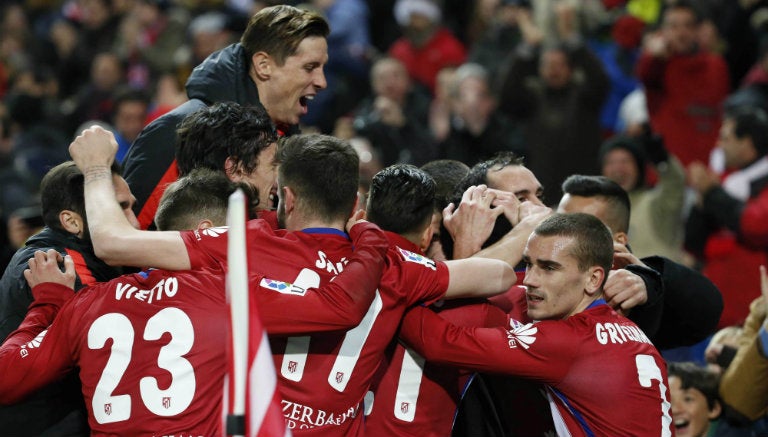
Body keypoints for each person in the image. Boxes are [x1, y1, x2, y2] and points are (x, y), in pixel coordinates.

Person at [68, 127, 516, 436]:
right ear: (355, 202)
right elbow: (494, 275)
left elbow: (111, 241)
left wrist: (94, 168)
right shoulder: (394, 265)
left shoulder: (244, 245)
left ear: (290, 197)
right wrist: (523, 228)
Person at [0, 168, 392, 435]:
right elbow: (340, 305)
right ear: (210, 232)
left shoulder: (87, 304)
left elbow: (7, 377)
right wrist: (369, 234)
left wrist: (48, 305)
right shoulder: (230, 290)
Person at [399, 213, 674, 436]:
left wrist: (391, 292)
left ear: (593, 279)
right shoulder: (633, 332)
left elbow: (438, 342)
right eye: (529, 264)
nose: (530, 279)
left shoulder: (565, 342)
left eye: (549, 268)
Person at [122, 4, 330, 229]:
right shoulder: (179, 131)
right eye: (310, 67)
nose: (322, 81)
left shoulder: (285, 138)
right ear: (264, 65)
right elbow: (128, 236)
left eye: (322, 67)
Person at [0, 160, 139, 436]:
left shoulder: (77, 254)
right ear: (72, 221)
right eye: (120, 208)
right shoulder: (58, 265)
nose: (135, 221)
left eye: (131, 205)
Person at [559, 174, 723, 350]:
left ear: (618, 241)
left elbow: (708, 308)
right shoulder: (532, 269)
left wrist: (647, 280)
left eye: (580, 227)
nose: (561, 234)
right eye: (558, 222)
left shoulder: (634, 300)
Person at [686, 105, 768, 328]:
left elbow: (757, 225)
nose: (718, 145)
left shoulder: (761, 183)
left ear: (748, 144)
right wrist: (701, 197)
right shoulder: (724, 180)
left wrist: (712, 194)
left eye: (726, 138)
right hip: (717, 306)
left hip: (753, 313)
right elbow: (693, 242)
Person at [636, 1, 730, 166]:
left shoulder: (717, 65)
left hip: (709, 167)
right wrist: (653, 55)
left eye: (688, 26)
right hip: (672, 170)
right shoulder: (658, 66)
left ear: (697, 31)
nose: (681, 33)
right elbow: (644, 74)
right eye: (673, 26)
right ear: (662, 32)